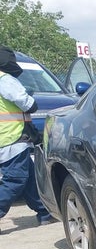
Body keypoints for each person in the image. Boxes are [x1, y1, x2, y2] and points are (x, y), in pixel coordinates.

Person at [0, 46, 54, 233]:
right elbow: (27, 104)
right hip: (12, 138)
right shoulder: (5, 80)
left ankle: (44, 212)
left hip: (6, 139)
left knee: (29, 177)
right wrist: (30, 99)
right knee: (15, 179)